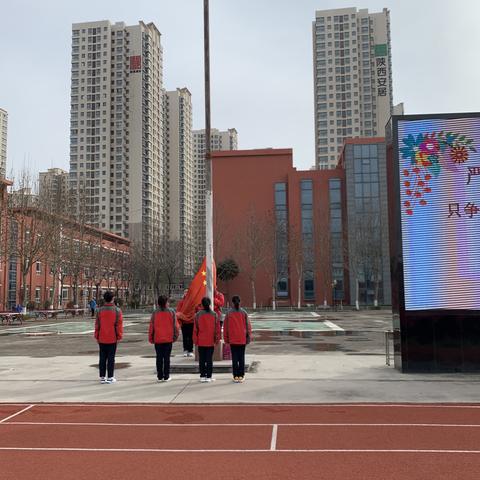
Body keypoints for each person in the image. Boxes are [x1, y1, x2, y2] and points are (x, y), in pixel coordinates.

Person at [94, 291, 123, 384]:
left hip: (102, 337)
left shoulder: (99, 310)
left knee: (102, 358)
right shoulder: (117, 310)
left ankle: (102, 377)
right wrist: (119, 336)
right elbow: (119, 325)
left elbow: (97, 324)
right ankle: (110, 377)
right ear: (113, 298)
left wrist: (97, 336)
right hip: (112, 337)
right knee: (111, 358)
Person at [149, 295, 179, 382]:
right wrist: (175, 336)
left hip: (158, 338)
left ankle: (159, 376)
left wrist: (151, 337)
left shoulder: (155, 313)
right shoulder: (171, 312)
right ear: (166, 303)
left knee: (159, 358)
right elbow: (176, 326)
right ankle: (166, 375)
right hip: (168, 338)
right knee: (166, 358)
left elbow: (151, 326)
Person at [223, 295, 252, 383]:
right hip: (242, 339)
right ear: (240, 302)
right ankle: (241, 375)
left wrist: (226, 339)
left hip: (232, 339)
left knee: (234, 358)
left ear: (232, 303)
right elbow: (248, 326)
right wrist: (248, 336)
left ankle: (235, 376)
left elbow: (225, 327)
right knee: (241, 357)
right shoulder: (244, 313)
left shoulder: (228, 313)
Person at [193, 297, 220, 383]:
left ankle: (202, 375)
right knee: (209, 359)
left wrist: (195, 340)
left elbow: (195, 329)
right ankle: (209, 376)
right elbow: (217, 329)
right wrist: (217, 340)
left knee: (202, 359)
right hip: (210, 341)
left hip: (201, 341)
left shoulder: (198, 315)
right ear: (210, 304)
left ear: (202, 304)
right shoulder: (214, 315)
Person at [176, 289, 194, 357]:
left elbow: (194, 311)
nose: (186, 294)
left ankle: (190, 350)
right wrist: (182, 318)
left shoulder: (192, 302)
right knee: (185, 337)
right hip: (184, 322)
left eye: (187, 292)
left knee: (191, 337)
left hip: (191, 321)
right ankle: (185, 350)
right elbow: (178, 312)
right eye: (185, 292)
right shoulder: (181, 302)